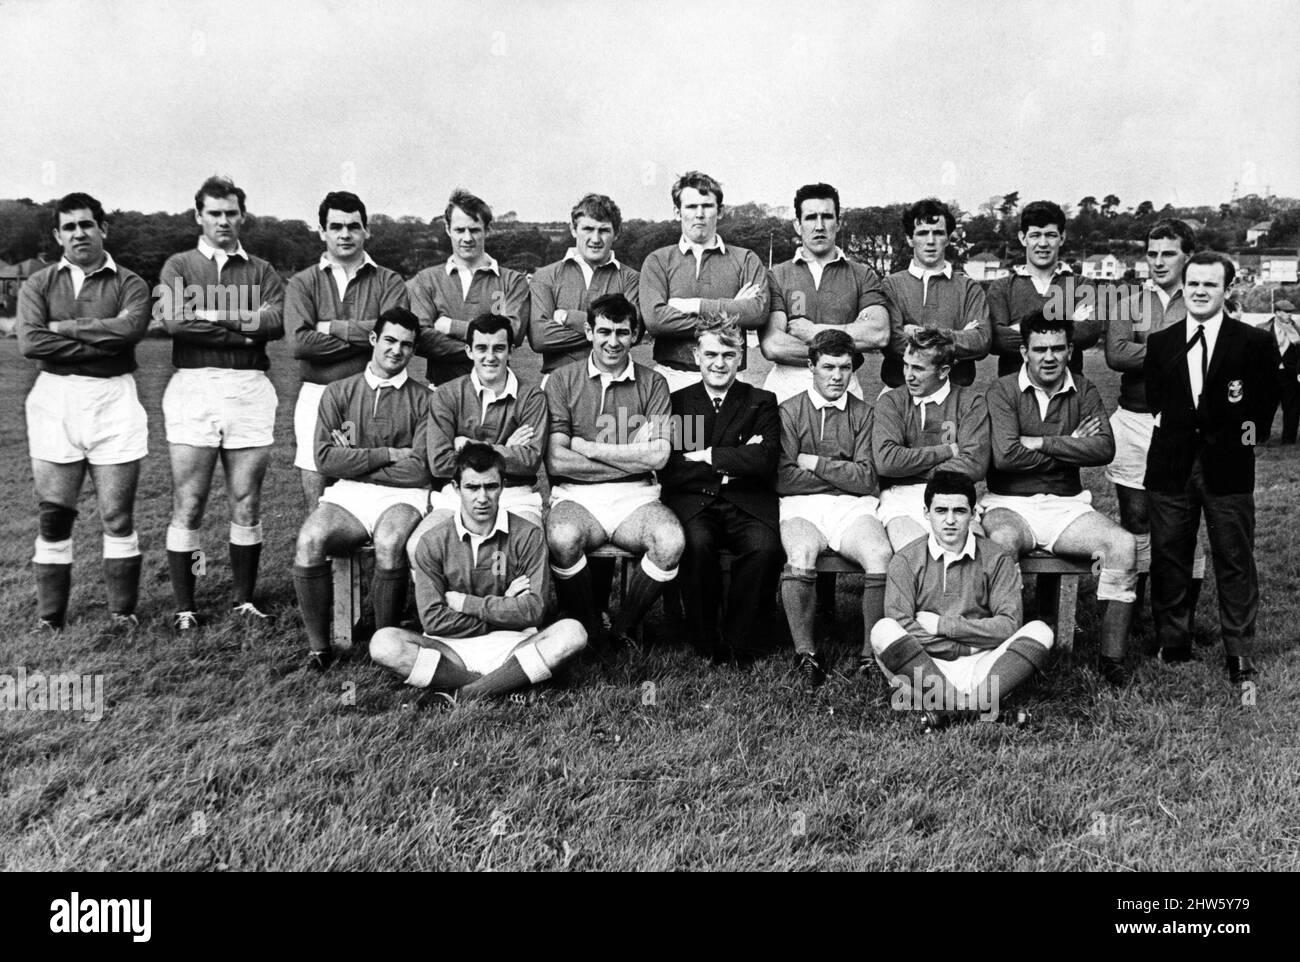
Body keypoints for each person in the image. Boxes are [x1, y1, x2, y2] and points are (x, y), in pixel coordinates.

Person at [1144, 252, 1279, 685]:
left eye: (1211, 285)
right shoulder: (1162, 343)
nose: (1200, 292)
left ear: (1227, 290)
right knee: (1169, 554)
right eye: (1194, 284)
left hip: (1228, 468)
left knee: (1234, 557)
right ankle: (1173, 642)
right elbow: (1156, 401)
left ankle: (1239, 650)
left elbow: (1263, 405)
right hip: (1171, 464)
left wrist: (1239, 444)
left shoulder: (1252, 342)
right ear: (1184, 287)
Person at [17, 192, 150, 633]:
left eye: (87, 224)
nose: (79, 233)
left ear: (103, 228)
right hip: (55, 398)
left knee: (117, 516)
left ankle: (122, 614)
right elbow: (31, 342)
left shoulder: (129, 282)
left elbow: (130, 331)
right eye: (69, 227)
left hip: (114, 398)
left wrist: (66, 329)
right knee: (55, 515)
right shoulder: (39, 283)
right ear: (58, 235)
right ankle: (50, 617)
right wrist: (98, 339)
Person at [157, 176, 285, 631]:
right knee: (190, 502)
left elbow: (275, 322)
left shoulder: (262, 269)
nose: (223, 221)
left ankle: (243, 599)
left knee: (246, 501)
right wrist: (245, 327)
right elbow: (174, 322)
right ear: (199, 216)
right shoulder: (179, 264)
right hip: (194, 385)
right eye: (214, 213)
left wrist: (211, 314)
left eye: (231, 213)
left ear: (242, 216)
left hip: (250, 386)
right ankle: (186, 605)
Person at [982, 312, 1136, 685]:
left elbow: (1103, 448)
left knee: (1123, 544)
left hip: (1066, 505)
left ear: (1070, 350)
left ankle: (1111, 660)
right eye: (1039, 349)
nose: (1048, 357)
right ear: (1025, 352)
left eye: (1057, 348)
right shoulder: (1002, 390)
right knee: (1001, 543)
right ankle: (1006, 653)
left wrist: (1042, 441)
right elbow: (1006, 456)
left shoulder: (1084, 389)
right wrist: (1071, 442)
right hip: (1008, 503)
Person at [370, 443, 587, 704]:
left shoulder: (528, 535)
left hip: (514, 645)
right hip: (450, 647)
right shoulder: (432, 541)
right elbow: (433, 621)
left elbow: (534, 611)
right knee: (383, 643)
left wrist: (465, 603)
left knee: (573, 633)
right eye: (472, 487)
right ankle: (505, 686)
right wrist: (507, 607)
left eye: (491, 486)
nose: (482, 498)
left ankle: (462, 694)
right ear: (455, 488)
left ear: (503, 486)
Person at [291, 307, 432, 671]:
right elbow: (324, 459)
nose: (396, 351)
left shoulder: (424, 398)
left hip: (404, 495)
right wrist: (385, 455)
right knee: (310, 539)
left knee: (389, 542)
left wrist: (354, 457)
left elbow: (419, 469)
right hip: (349, 493)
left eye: (406, 345)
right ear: (373, 339)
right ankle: (319, 648)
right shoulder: (338, 392)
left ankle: (385, 643)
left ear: (413, 351)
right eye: (389, 340)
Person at [544, 293, 684, 644]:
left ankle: (624, 627)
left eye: (622, 332)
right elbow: (557, 460)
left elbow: (658, 458)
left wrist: (590, 449)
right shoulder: (561, 380)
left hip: (636, 495)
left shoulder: (654, 382)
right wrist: (631, 454)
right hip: (576, 495)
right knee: (562, 538)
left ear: (635, 334)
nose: (613, 341)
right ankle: (588, 624)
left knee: (670, 541)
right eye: (604, 331)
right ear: (588, 331)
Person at [869, 470, 1054, 730]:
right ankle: (981, 708)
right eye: (941, 510)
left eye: (959, 511)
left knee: (1040, 632)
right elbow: (901, 622)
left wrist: (944, 626)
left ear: (974, 514)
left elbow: (1009, 625)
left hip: (982, 664)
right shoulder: (906, 560)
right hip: (927, 664)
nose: (950, 520)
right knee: (883, 630)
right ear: (926, 513)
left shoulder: (997, 558)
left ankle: (949, 709)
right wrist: (962, 647)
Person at [660, 315, 783, 664]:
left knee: (764, 547)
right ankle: (704, 638)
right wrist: (736, 459)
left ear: (741, 357)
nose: (719, 363)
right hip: (694, 502)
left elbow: (764, 461)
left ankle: (741, 639)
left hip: (748, 502)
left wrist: (707, 455)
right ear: (696, 355)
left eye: (728, 355)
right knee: (696, 545)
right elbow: (674, 470)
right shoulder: (679, 403)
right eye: (711, 354)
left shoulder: (761, 400)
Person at [777, 329, 893, 689]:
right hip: (801, 506)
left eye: (845, 368)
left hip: (852, 506)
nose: (837, 376)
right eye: (828, 367)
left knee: (880, 553)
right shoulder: (789, 410)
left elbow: (867, 479)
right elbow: (783, 478)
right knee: (801, 551)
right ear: (811, 365)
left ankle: (869, 656)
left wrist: (815, 464)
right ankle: (806, 653)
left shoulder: (864, 413)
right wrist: (843, 475)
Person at [1104, 219, 1203, 622]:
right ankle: (1135, 610)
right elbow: (1116, 355)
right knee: (1136, 519)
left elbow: (1209, 355)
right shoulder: (1128, 301)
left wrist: (1150, 351)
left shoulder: (1202, 298)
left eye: (1169, 254)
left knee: (1184, 520)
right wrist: (1175, 351)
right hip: (1134, 419)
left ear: (1188, 256)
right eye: (1152, 253)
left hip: (1185, 426)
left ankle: (1182, 614)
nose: (1159, 262)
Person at [286, 191, 409, 506]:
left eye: (353, 226)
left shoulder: (390, 281)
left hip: (375, 393)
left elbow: (393, 338)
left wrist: (330, 327)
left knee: (368, 480)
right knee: (317, 471)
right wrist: (367, 338)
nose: (345, 234)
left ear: (367, 230)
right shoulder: (302, 283)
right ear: (322, 232)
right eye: (336, 226)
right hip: (317, 391)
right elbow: (300, 343)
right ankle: (320, 553)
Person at [407, 313, 546, 558]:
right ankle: (443, 598)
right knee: (418, 546)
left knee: (529, 548)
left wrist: (469, 445)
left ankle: (518, 597)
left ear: (511, 351)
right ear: (469, 351)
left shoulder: (531, 396)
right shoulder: (446, 394)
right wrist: (505, 448)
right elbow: (440, 464)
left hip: (514, 493)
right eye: (481, 348)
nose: (490, 357)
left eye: (499, 348)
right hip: (459, 494)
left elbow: (529, 461)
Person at [639, 170, 768, 394]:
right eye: (691, 207)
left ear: (720, 211)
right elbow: (656, 321)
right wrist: (729, 317)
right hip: (673, 377)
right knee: (675, 431)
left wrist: (695, 306)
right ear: (677, 212)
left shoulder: (746, 259)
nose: (700, 214)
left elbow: (757, 312)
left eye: (707, 206)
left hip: (730, 377)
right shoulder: (657, 261)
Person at [759, 182, 889, 402]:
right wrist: (847, 342)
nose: (819, 226)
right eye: (810, 218)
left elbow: (878, 333)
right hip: (787, 388)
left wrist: (814, 332)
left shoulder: (862, 274)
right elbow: (774, 346)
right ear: (797, 225)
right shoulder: (777, 275)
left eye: (827, 217)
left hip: (843, 385)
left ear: (838, 223)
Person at [873, 328, 990, 551]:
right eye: (906, 364)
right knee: (916, 552)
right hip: (901, 499)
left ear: (943, 370)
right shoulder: (891, 401)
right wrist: (946, 451)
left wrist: (910, 467)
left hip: (954, 496)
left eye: (917, 368)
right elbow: (886, 461)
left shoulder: (971, 402)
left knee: (974, 550)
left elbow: (974, 464)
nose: (908, 375)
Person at [407, 189, 529, 386]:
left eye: (474, 230)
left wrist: (450, 326)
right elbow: (421, 338)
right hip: (441, 389)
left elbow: (512, 334)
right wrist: (490, 348)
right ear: (447, 229)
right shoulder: (426, 279)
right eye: (459, 230)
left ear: (487, 229)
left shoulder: (513, 280)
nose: (467, 238)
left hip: (497, 391)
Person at [880, 198, 990, 388]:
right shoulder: (891, 285)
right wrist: (957, 338)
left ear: (948, 238)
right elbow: (893, 341)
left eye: (938, 233)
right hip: (901, 392)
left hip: (955, 393)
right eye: (922, 233)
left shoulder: (969, 287)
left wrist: (919, 333)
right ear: (909, 239)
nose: (930, 241)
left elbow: (981, 340)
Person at [528, 193, 640, 376]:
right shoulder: (545, 276)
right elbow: (540, 338)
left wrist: (569, 318)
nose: (595, 239)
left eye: (604, 230)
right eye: (588, 229)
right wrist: (610, 330)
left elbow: (633, 332)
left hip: (614, 381)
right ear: (573, 229)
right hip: (558, 381)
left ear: (617, 232)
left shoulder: (630, 278)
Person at [987, 200, 1101, 377]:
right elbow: (997, 340)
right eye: (1035, 235)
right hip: (1014, 396)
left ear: (1062, 238)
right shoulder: (1001, 288)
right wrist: (1068, 322)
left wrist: (1020, 329)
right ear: (1023, 238)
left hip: (1068, 396)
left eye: (1050, 235)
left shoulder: (1082, 285)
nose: (1043, 243)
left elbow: (1089, 333)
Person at [1262, 299, 1300, 445]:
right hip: (1270, 376)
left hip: (1290, 376)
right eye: (1286, 312)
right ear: (1277, 312)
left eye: (1291, 312)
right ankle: (1261, 436)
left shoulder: (1297, 330)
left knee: (1292, 409)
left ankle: (1289, 439)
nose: (1290, 315)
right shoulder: (1263, 329)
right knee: (1266, 407)